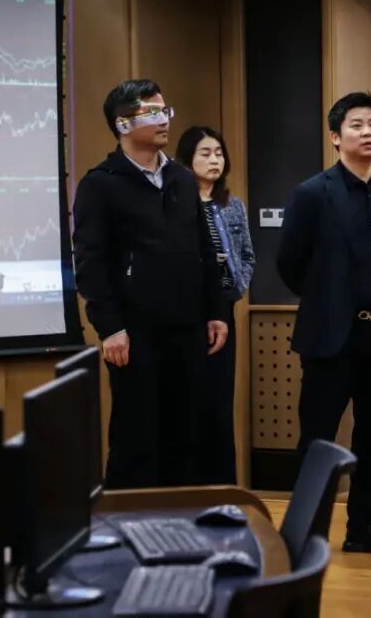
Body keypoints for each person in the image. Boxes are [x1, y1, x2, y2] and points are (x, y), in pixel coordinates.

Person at [277, 92, 371, 556]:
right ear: (335, 136)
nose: (367, 132)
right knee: (318, 437)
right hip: (331, 336)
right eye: (356, 125)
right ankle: (305, 531)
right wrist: (327, 301)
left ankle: (365, 526)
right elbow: (289, 264)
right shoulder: (312, 193)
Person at [72, 79, 229, 489]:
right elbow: (90, 263)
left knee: (186, 434)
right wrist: (109, 327)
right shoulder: (100, 184)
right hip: (134, 333)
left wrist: (216, 311)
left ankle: (179, 520)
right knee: (136, 438)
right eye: (152, 113)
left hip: (188, 328)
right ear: (123, 124)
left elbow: (204, 248)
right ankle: (127, 520)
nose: (164, 121)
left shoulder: (181, 178)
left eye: (165, 111)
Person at [176, 125, 255, 485]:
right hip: (187, 315)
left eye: (219, 153)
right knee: (189, 403)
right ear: (187, 159)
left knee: (220, 404)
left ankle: (224, 487)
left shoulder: (232, 205)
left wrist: (235, 289)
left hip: (223, 311)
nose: (214, 160)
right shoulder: (176, 205)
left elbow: (248, 255)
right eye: (205, 153)